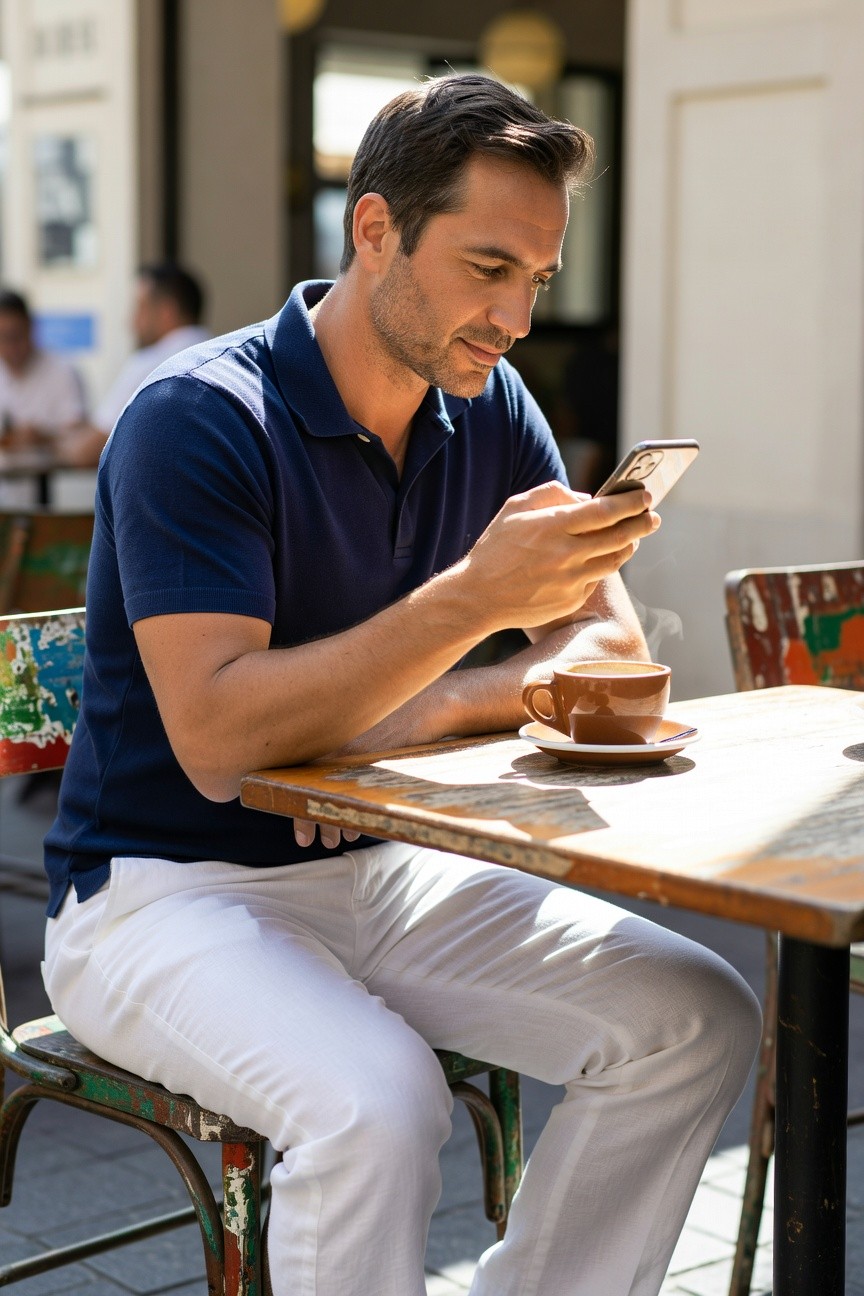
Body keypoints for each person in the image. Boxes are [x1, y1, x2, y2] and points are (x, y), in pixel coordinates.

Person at [42, 74, 761, 1296]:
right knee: (376, 1105)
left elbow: (607, 656)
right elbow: (222, 742)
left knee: (698, 1015)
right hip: (160, 892)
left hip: (380, 859)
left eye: (536, 277)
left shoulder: (489, 404)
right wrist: (479, 609)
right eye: (489, 266)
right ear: (374, 230)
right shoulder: (196, 419)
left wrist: (375, 737)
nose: (517, 318)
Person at [56, 261, 208, 467]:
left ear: (167, 311)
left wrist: (56, 445)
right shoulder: (223, 355)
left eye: (140, 307)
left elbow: (88, 450)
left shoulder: (153, 363)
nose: (131, 321)